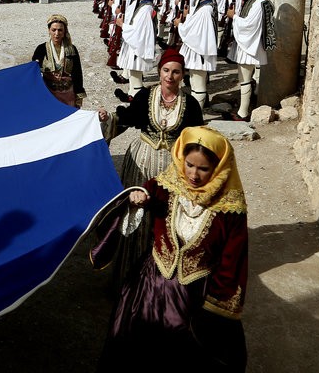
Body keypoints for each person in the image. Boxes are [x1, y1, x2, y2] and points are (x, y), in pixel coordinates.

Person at [91, 126, 248, 371]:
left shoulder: (230, 210)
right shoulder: (168, 185)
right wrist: (138, 198)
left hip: (194, 296)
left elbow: (233, 261)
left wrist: (215, 308)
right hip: (150, 286)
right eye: (189, 165)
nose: (193, 174)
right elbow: (147, 193)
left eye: (203, 168)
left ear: (218, 169)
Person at [97, 49, 204, 284]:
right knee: (134, 216)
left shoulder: (191, 105)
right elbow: (126, 118)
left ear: (183, 74)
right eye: (166, 71)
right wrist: (107, 120)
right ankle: (127, 278)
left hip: (172, 171)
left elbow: (198, 143)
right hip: (141, 163)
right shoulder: (146, 96)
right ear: (159, 71)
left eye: (176, 72)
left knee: (166, 221)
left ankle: (157, 284)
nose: (170, 76)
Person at [226, 0, 275, 121]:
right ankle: (244, 108)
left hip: (250, 46)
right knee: (244, 78)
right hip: (248, 44)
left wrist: (234, 17)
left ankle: (243, 113)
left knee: (245, 79)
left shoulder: (259, 2)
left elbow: (249, 25)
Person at [174, 0, 219, 109]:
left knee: (198, 84)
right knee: (195, 82)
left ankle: (197, 115)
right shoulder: (206, 6)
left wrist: (179, 25)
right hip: (199, 50)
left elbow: (194, 32)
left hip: (200, 51)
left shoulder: (206, 9)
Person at [31, 14, 85, 107]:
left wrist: (78, 94)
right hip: (48, 92)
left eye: (60, 30)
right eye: (53, 30)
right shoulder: (41, 49)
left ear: (64, 32)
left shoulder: (71, 49)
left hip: (68, 93)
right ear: (49, 31)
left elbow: (77, 73)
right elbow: (33, 71)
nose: (57, 33)